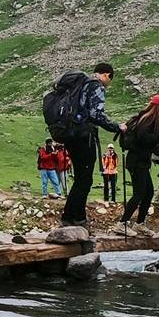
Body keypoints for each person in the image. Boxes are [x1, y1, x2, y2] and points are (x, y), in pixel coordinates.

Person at [59, 63, 122, 227]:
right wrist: (117, 127)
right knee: (85, 179)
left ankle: (74, 217)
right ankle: (72, 217)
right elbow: (96, 115)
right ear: (107, 75)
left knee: (81, 177)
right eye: (109, 80)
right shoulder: (96, 86)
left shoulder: (81, 84)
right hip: (84, 136)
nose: (108, 84)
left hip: (71, 135)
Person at [119, 95, 159, 230]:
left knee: (148, 193)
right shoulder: (149, 119)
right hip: (137, 162)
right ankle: (122, 224)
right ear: (158, 109)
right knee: (139, 194)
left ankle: (139, 224)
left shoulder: (144, 117)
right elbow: (143, 138)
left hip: (140, 161)